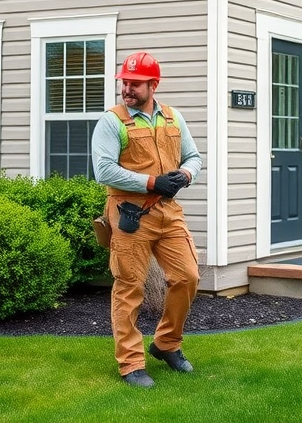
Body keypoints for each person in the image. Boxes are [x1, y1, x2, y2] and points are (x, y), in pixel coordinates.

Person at [91, 51, 203, 389]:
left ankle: (166, 344)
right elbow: (104, 170)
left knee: (188, 276)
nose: (127, 89)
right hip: (130, 214)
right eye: (125, 82)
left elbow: (194, 156)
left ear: (153, 85)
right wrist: (152, 182)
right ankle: (130, 364)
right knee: (129, 288)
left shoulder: (172, 118)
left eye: (135, 84)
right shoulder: (112, 121)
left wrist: (185, 174)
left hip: (168, 212)